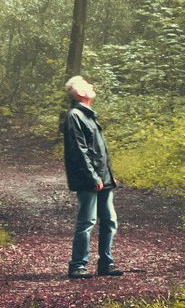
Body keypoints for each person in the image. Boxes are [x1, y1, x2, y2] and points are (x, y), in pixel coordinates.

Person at [60, 75, 121, 279]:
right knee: (87, 221)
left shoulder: (89, 115)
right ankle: (77, 265)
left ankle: (106, 263)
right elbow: (79, 151)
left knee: (109, 221)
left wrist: (108, 176)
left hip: (103, 178)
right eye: (87, 85)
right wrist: (93, 177)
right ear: (80, 93)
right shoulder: (75, 116)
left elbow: (99, 151)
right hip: (90, 180)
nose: (92, 86)